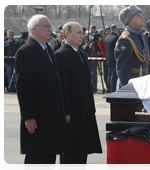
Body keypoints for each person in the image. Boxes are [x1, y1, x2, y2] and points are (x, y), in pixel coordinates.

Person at [14, 14, 71, 170]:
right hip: (37, 119)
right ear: (34, 30)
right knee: (36, 161)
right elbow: (24, 88)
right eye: (45, 26)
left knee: (48, 161)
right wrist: (29, 116)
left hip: (51, 119)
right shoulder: (26, 51)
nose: (49, 29)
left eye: (50, 26)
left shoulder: (48, 50)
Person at [55, 21, 102, 170]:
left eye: (82, 33)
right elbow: (61, 87)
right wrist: (66, 112)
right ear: (67, 34)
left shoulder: (81, 54)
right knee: (70, 153)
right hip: (72, 113)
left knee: (82, 151)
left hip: (84, 111)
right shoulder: (61, 55)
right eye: (78, 33)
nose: (82, 36)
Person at [115, 5, 150, 88]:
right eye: (138, 15)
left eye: (141, 15)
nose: (142, 17)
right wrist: (128, 89)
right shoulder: (125, 39)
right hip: (131, 85)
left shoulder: (142, 37)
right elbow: (123, 70)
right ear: (129, 20)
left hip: (142, 83)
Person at [105, 24, 119, 92]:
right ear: (116, 30)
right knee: (114, 76)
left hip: (108, 59)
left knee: (109, 75)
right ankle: (113, 89)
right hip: (114, 59)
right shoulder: (115, 38)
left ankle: (109, 88)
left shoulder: (107, 37)